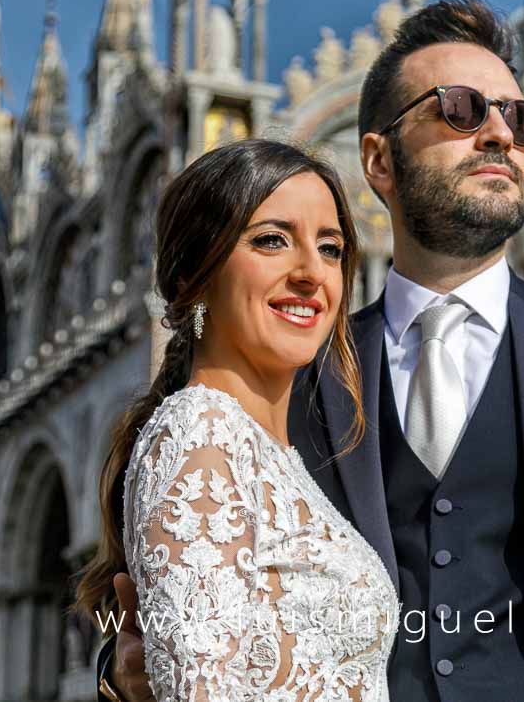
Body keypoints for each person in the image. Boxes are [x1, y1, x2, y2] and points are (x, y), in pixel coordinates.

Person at [94, 0, 524, 701]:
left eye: (520, 117)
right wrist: (123, 671)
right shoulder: (298, 375)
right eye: (462, 110)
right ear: (378, 160)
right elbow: (180, 579)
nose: (501, 134)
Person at [74, 140, 399, 700]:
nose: (310, 272)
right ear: (194, 278)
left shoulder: (275, 455)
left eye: (330, 248)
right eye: (272, 240)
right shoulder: (200, 432)